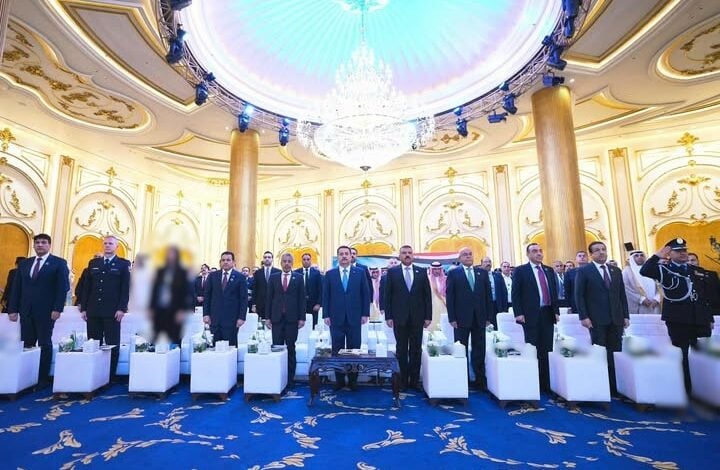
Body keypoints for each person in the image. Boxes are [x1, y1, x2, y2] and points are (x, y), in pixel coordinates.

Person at [640, 238, 719, 392]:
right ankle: (686, 388)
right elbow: (645, 270)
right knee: (682, 354)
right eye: (678, 251)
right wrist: (658, 255)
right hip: (678, 320)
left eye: (684, 250)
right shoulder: (664, 269)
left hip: (699, 319)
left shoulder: (696, 270)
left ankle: (704, 388)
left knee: (702, 355)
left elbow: (704, 298)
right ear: (670, 254)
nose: (683, 253)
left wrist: (708, 318)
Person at [7, 234, 69, 388]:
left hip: (47, 311)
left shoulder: (58, 263)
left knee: (44, 343)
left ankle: (42, 378)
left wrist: (57, 308)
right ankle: (26, 377)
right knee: (26, 344)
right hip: (26, 310)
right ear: (34, 245)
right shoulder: (25, 263)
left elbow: (62, 288)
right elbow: (16, 288)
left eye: (43, 242)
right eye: (37, 243)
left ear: (49, 245)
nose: (40, 245)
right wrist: (12, 309)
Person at [575, 241, 629, 396]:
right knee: (600, 352)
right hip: (596, 319)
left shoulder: (615, 270)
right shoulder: (585, 271)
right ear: (591, 254)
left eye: (603, 249)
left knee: (616, 352)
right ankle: (601, 385)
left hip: (616, 319)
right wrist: (584, 316)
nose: (601, 252)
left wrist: (626, 315)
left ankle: (616, 387)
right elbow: (579, 295)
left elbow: (621, 295)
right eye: (597, 250)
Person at [80, 235, 130, 381]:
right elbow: (87, 287)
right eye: (106, 243)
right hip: (93, 310)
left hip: (112, 311)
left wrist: (122, 308)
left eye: (110, 244)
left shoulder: (123, 264)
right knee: (94, 343)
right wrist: (84, 308)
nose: (107, 246)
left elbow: (125, 288)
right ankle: (94, 374)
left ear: (117, 247)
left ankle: (110, 376)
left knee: (112, 343)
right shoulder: (94, 263)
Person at [511, 243, 560, 391]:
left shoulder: (549, 270)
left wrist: (556, 311)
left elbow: (553, 292)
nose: (539, 253)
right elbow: (515, 293)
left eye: (540, 251)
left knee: (547, 348)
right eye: (534, 251)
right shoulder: (521, 271)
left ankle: (546, 383)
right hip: (529, 315)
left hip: (547, 313)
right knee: (532, 347)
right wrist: (518, 313)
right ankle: (534, 381)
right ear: (528, 254)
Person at [322, 245, 370, 391]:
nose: (344, 256)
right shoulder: (330, 274)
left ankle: (353, 381)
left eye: (346, 254)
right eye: (341, 254)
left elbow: (365, 294)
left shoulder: (360, 273)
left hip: (355, 317)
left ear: (351, 256)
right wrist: (326, 315)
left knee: (354, 350)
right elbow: (326, 295)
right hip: (335, 318)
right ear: (338, 257)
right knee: (337, 350)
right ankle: (340, 381)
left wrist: (365, 313)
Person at [384, 245, 432, 391]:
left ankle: (414, 381)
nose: (407, 255)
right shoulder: (392, 272)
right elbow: (388, 296)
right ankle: (403, 381)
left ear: (413, 255)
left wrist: (428, 316)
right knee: (401, 350)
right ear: (399, 256)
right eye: (404, 253)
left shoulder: (421, 272)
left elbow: (427, 296)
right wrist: (388, 316)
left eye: (409, 253)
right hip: (399, 318)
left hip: (418, 318)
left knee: (416, 350)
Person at [446, 247, 493, 390]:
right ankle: (463, 380)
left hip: (480, 318)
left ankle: (480, 380)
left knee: (479, 349)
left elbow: (488, 296)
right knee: (461, 349)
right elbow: (450, 297)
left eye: (470, 254)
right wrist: (452, 318)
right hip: (460, 319)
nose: (468, 256)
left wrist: (489, 316)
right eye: (465, 255)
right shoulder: (454, 273)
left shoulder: (482, 273)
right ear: (460, 258)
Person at [266, 253, 305, 390]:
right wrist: (267, 317)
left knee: (290, 348)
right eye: (284, 261)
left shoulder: (298, 278)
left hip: (292, 319)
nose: (287, 263)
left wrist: (302, 318)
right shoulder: (273, 277)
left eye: (289, 261)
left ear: (292, 263)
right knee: (277, 348)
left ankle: (290, 380)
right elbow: (269, 298)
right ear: (280, 263)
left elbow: (301, 299)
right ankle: (278, 377)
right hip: (276, 318)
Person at [203, 251, 247, 346]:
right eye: (223, 260)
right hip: (214, 319)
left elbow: (244, 299)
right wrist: (206, 314)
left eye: (228, 260)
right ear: (220, 262)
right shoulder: (213, 276)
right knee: (214, 347)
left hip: (232, 320)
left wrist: (242, 317)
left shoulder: (240, 277)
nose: (225, 262)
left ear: (233, 262)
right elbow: (207, 296)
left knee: (230, 348)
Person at [149, 246, 191, 344]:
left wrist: (182, 310)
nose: (170, 257)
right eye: (168, 254)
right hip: (159, 310)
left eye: (172, 254)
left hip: (175, 311)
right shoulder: (160, 271)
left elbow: (185, 293)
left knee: (175, 339)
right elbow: (154, 291)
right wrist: (151, 308)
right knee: (156, 339)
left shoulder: (182, 272)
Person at [622, 249, 661, 315]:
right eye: (636, 256)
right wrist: (641, 299)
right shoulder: (626, 272)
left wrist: (657, 298)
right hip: (639, 306)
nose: (640, 257)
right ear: (632, 258)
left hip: (654, 305)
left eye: (642, 255)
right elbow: (626, 289)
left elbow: (660, 286)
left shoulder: (651, 269)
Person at [294, 252, 322, 327]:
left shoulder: (316, 273)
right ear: (301, 261)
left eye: (308, 259)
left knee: (313, 324)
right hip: (300, 304)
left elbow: (320, 289)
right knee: (299, 324)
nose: (306, 261)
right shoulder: (296, 272)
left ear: (311, 260)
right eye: (304, 259)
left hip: (313, 304)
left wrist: (318, 304)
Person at [480, 256, 509, 324]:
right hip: (484, 307)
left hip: (497, 306)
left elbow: (504, 292)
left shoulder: (497, 275)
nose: (488, 263)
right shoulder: (478, 276)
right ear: (481, 264)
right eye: (486, 262)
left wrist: (504, 308)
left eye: (489, 262)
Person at [251, 251, 280, 319]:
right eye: (265, 257)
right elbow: (255, 289)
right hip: (260, 304)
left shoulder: (278, 272)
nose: (267, 259)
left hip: (274, 304)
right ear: (263, 259)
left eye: (269, 257)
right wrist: (253, 304)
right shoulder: (257, 273)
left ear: (272, 259)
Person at [427, 261, 447, 331]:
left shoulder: (445, 279)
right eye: (435, 269)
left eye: (438, 269)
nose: (436, 271)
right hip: (431, 303)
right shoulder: (427, 279)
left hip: (443, 302)